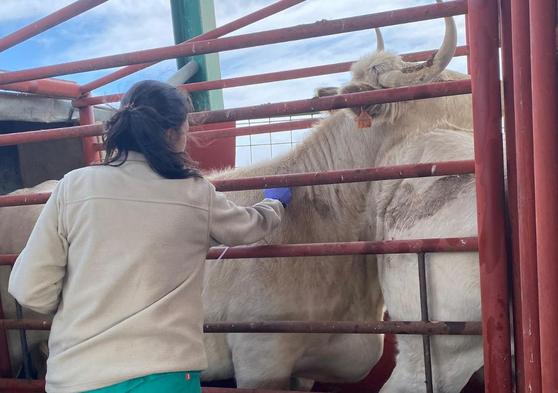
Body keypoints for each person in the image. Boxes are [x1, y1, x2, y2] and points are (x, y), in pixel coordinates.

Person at [8, 80, 292, 393]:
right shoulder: (195, 192)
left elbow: (28, 289)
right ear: (172, 133)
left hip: (77, 378)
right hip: (165, 376)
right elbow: (248, 227)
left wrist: (82, 307)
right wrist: (274, 203)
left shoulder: (74, 186)